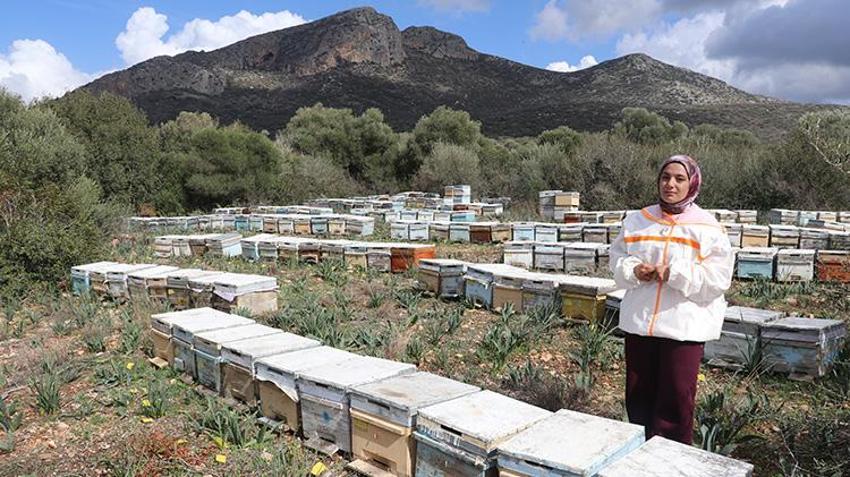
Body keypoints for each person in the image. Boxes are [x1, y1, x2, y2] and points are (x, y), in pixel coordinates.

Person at [609, 154, 734, 444]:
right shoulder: (638, 220)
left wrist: (674, 273)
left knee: (676, 401)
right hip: (640, 324)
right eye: (665, 177)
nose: (670, 184)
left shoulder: (707, 227)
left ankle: (671, 461)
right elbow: (617, 260)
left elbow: (717, 279)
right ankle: (638, 457)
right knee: (638, 396)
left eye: (679, 179)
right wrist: (634, 270)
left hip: (683, 329)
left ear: (692, 183)